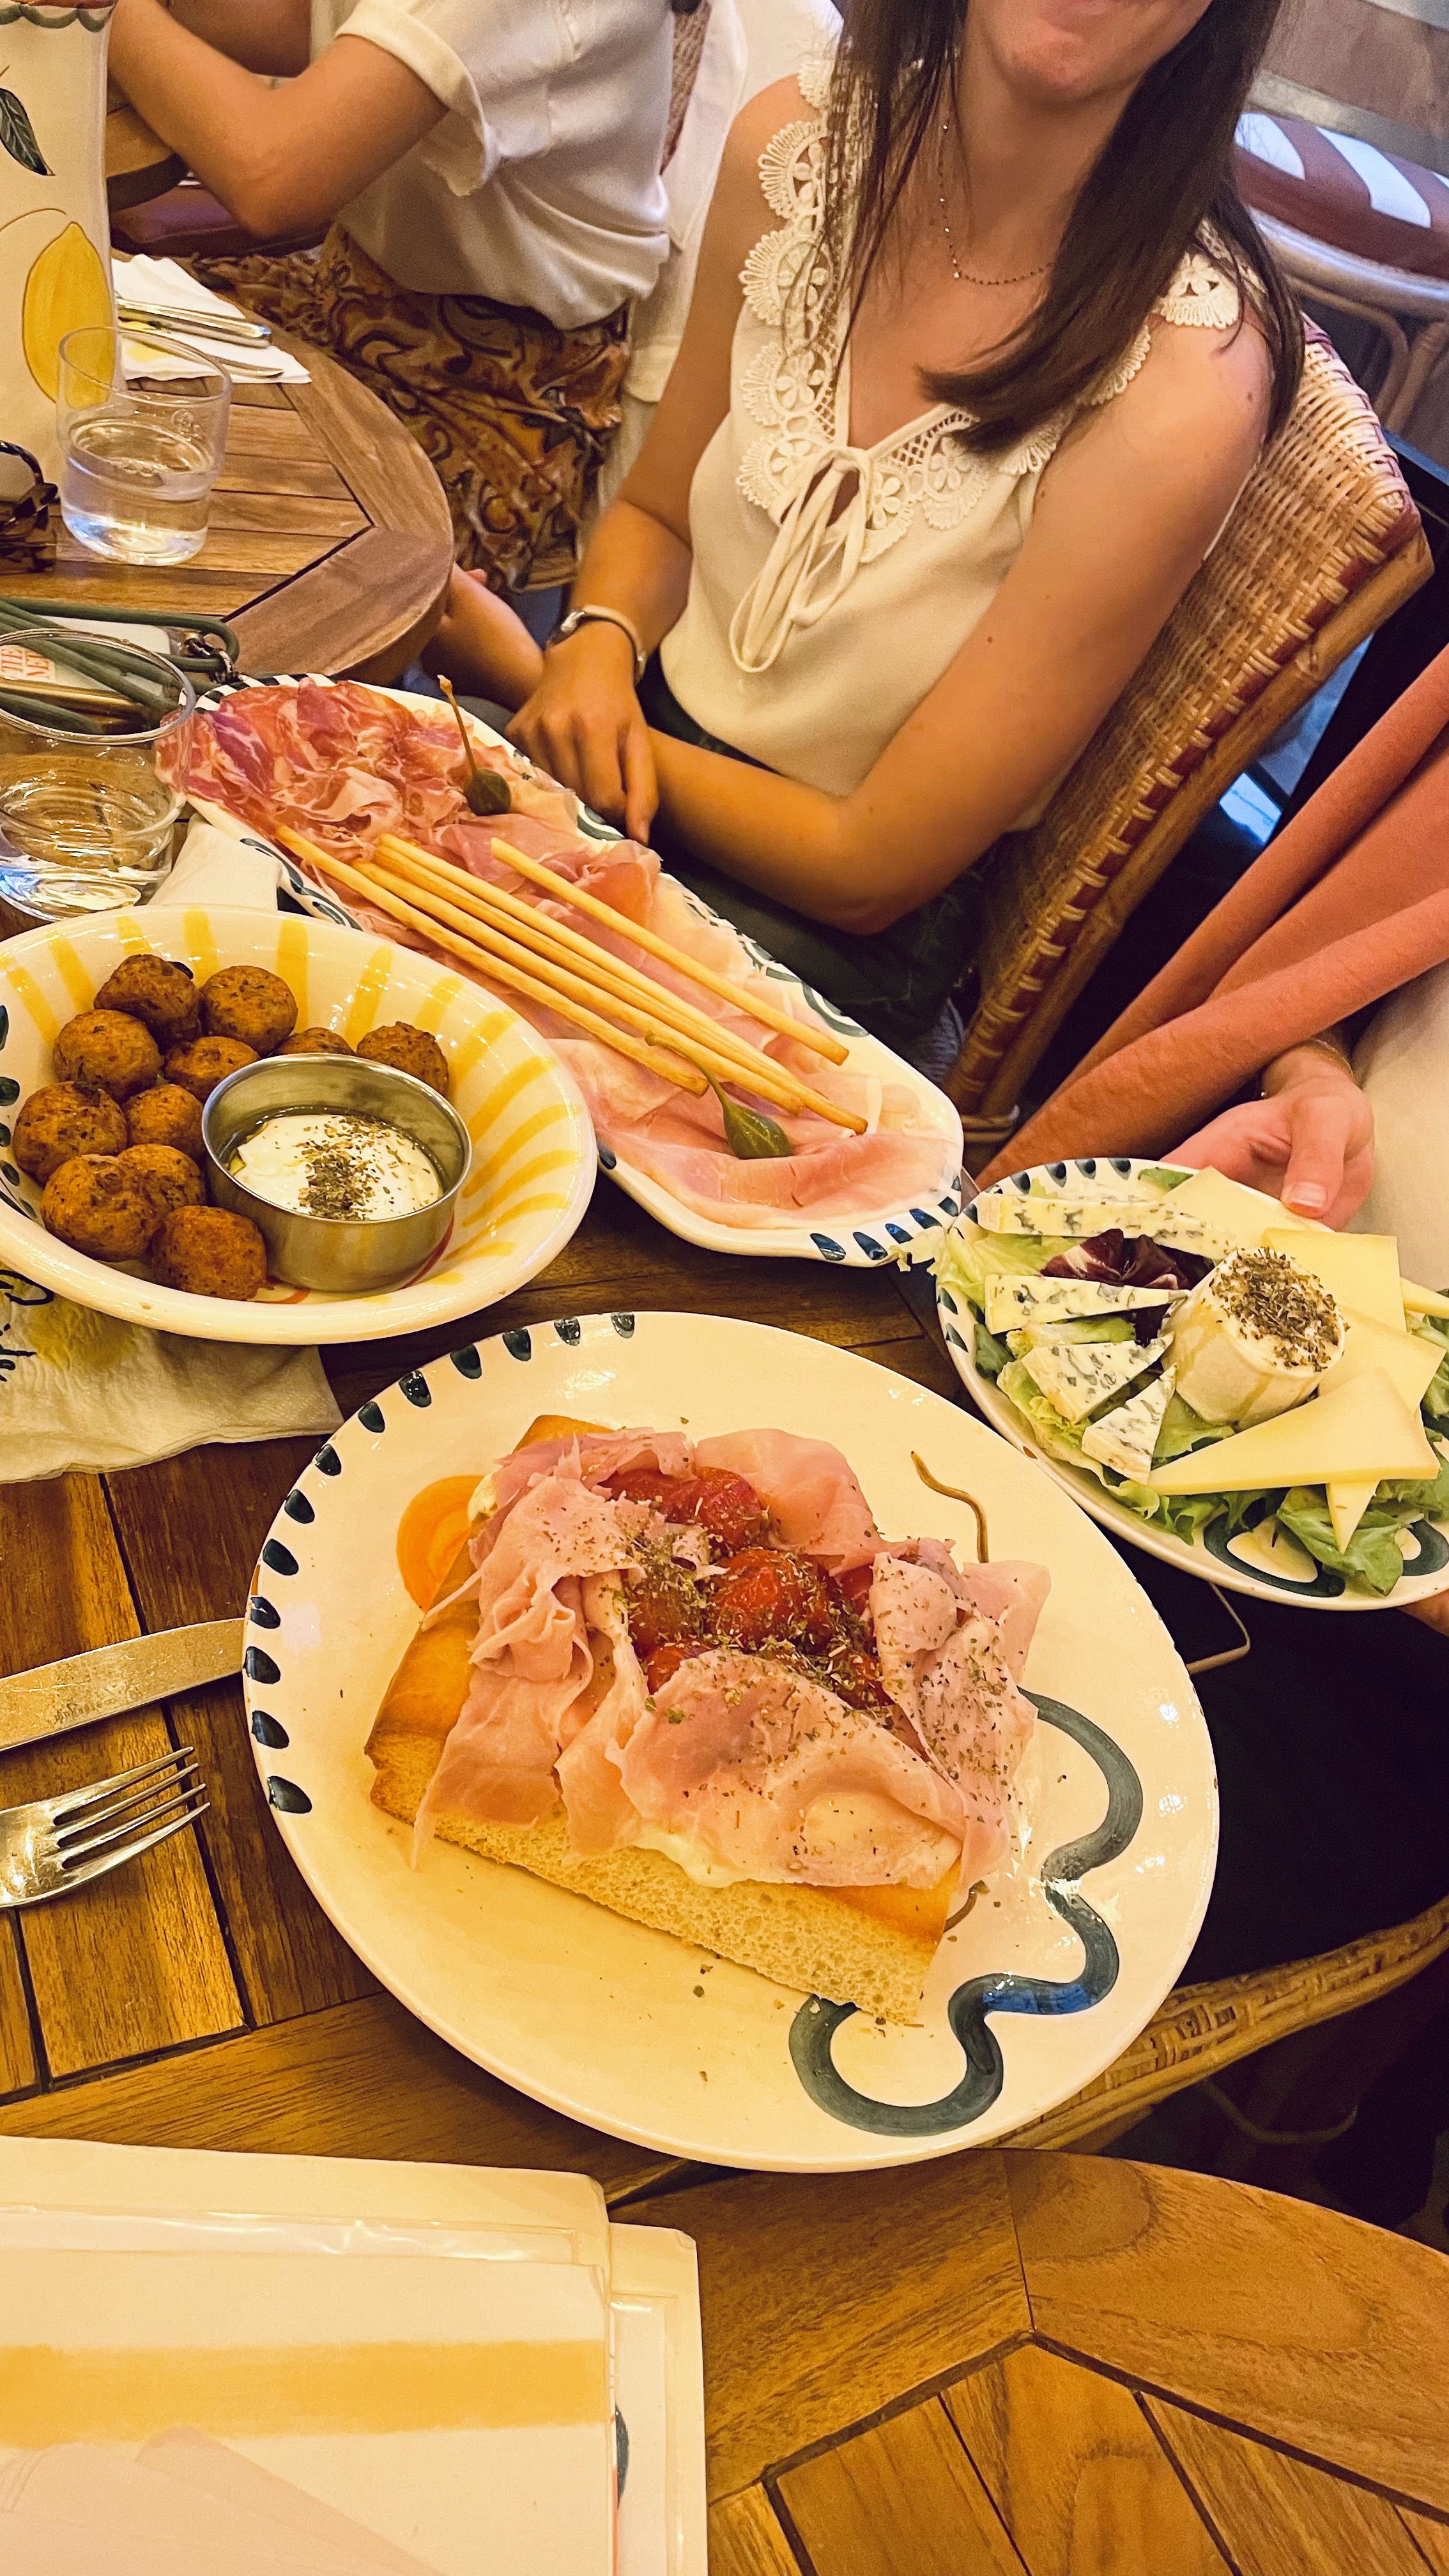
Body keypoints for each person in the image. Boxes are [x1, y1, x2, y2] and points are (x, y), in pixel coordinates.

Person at [488, 0, 1303, 1069]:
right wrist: (596, 640)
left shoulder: (1184, 380)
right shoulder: (795, 148)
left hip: (822, 955)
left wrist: (551, 694)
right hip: (620, 785)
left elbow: (866, 867)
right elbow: (656, 516)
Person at [107, 0, 686, 590]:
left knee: (149, 513)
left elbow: (272, 177)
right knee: (80, 362)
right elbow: (305, 24)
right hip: (334, 306)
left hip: (481, 405)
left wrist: (108, 7)